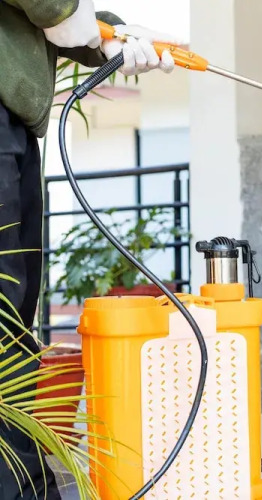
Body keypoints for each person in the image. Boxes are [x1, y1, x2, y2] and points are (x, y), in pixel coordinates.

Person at [0, 1, 179, 498]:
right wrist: (60, 9)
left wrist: (113, 35)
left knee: (13, 325)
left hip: (13, 121)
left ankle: (23, 486)